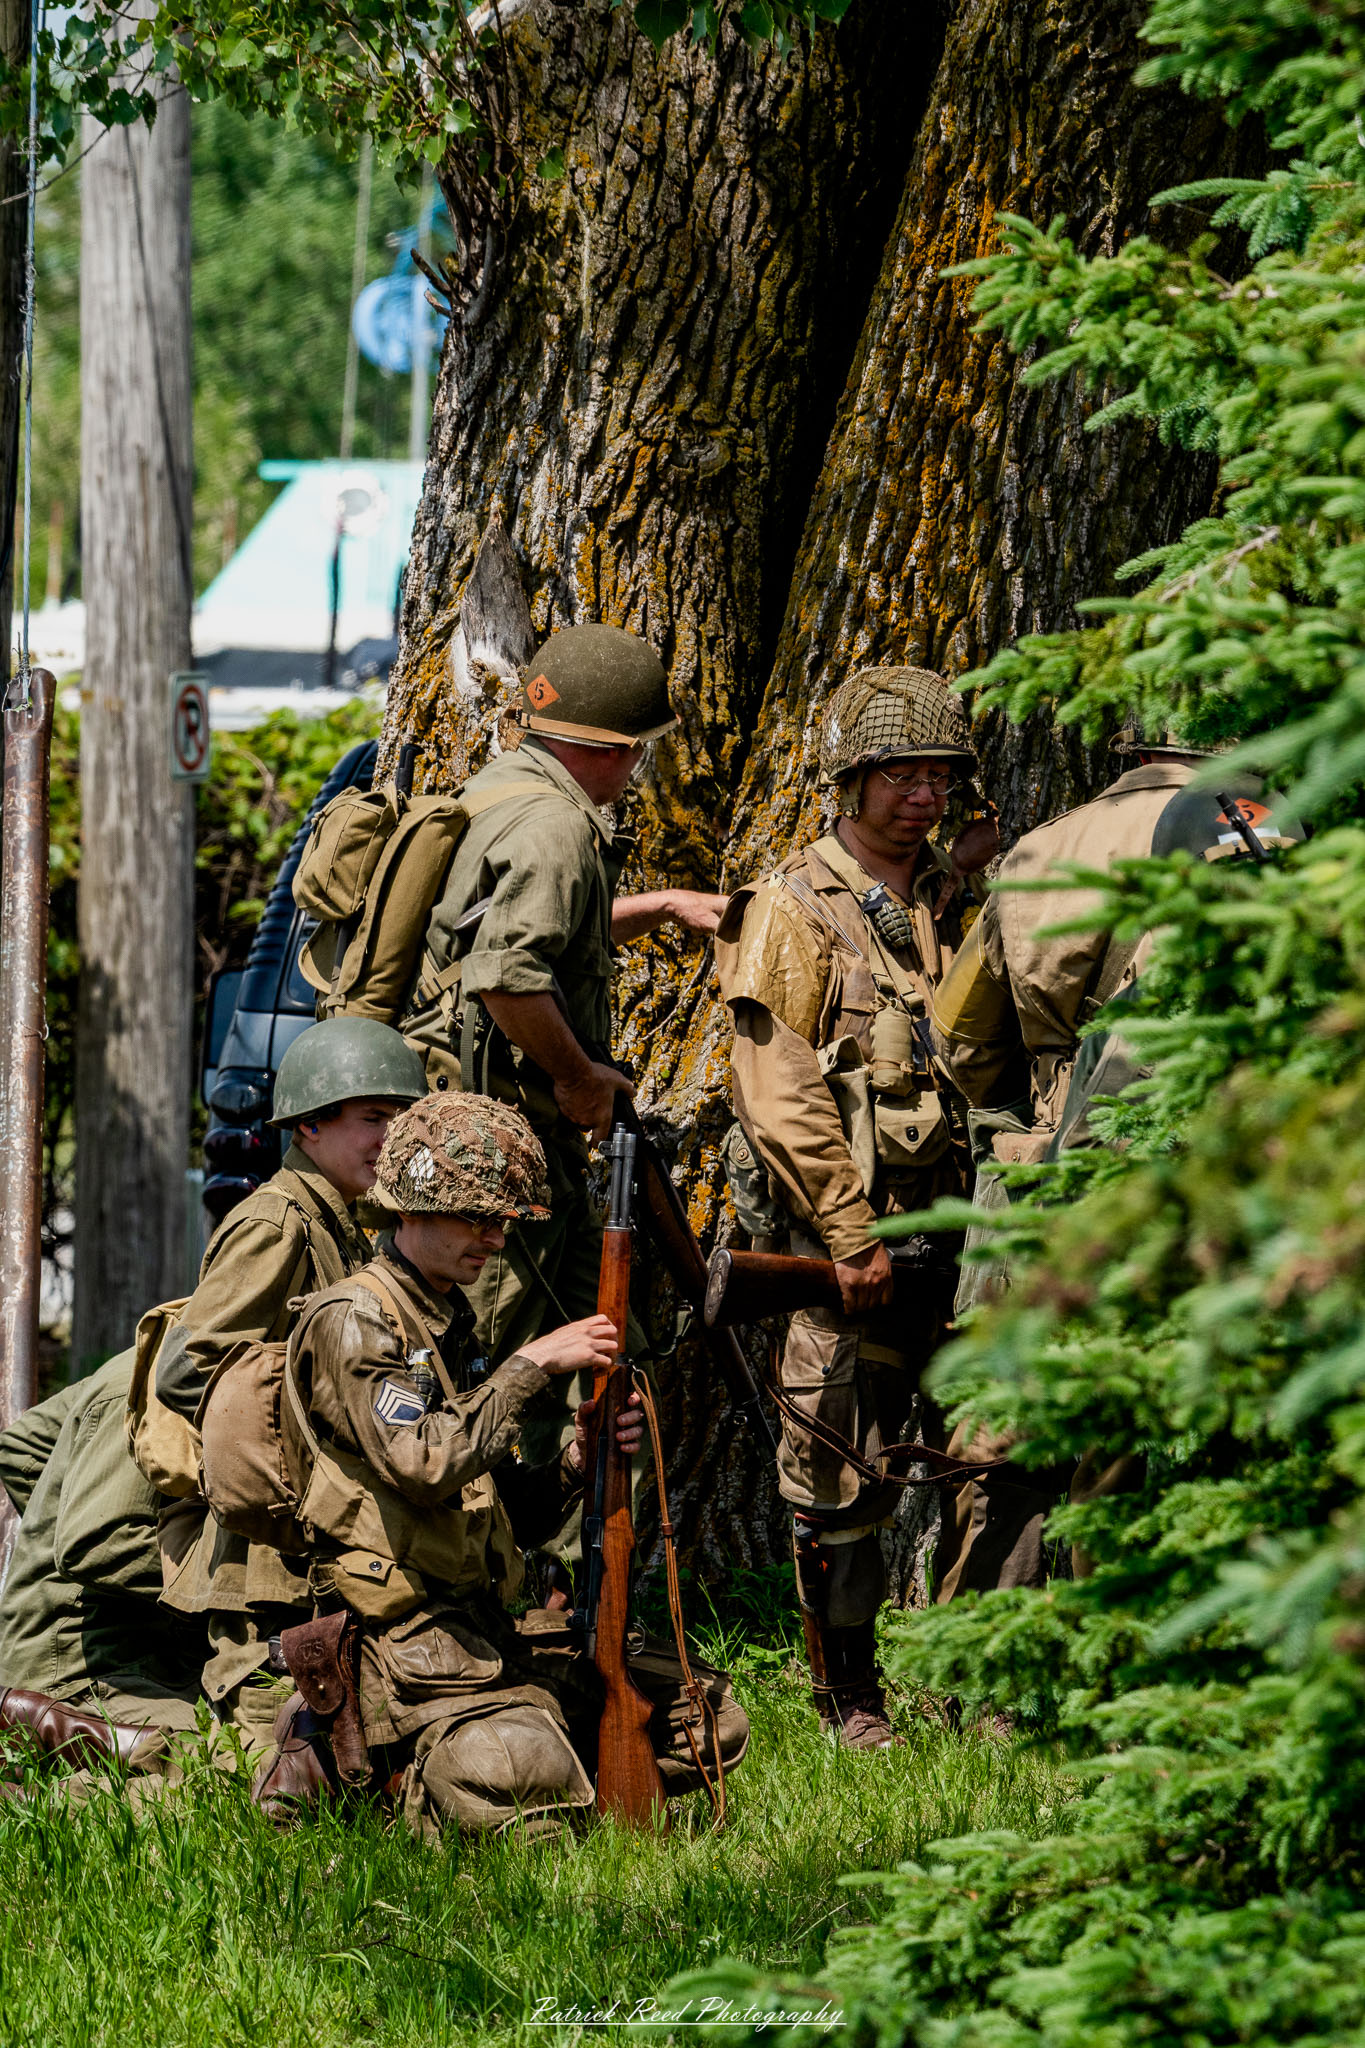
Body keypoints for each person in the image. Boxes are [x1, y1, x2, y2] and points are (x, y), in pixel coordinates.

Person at [255, 1091, 747, 1837]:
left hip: (483, 1626)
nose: (494, 1239)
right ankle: (374, 1785)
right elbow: (422, 1465)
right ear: (415, 1205)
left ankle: (522, 1764)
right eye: (476, 1217)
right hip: (407, 1642)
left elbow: (488, 1503)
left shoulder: (445, 1316)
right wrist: (531, 1364)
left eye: (504, 1222)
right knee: (518, 1770)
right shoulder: (357, 1321)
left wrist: (577, 1464)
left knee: (703, 1721)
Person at [713, 665, 999, 1749]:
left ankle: (986, 1682)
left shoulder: (949, 898)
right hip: (853, 1251)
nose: (922, 796)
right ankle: (852, 1697)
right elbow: (777, 1086)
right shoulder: (790, 907)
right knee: (838, 1482)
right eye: (900, 775)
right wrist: (848, 1229)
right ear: (849, 780)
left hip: (965, 1244)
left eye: (940, 775)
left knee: (992, 1456)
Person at [400, 625, 724, 1414]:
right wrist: (578, 1078)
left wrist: (659, 905)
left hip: (483, 1133)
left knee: (609, 1363)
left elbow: (522, 928)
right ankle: (504, 1524)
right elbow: (508, 975)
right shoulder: (556, 830)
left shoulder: (500, 787)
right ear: (620, 749)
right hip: (497, 1149)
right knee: (488, 1373)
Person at [154, 1016, 427, 1747]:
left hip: (307, 1540)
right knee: (259, 1747)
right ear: (307, 1126)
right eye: (373, 1118)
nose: (390, 1139)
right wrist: (304, 1423)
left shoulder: (343, 1222)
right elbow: (185, 1369)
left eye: (400, 1120)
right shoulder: (279, 1223)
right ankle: (109, 1762)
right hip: (261, 1547)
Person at [0, 1354, 204, 1780]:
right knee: (225, 1772)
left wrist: (75, 1500)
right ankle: (33, 1795)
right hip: (82, 1669)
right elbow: (98, 1542)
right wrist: (226, 1579)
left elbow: (23, 1446)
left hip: (117, 1649)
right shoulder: (167, 1379)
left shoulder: (153, 1354)